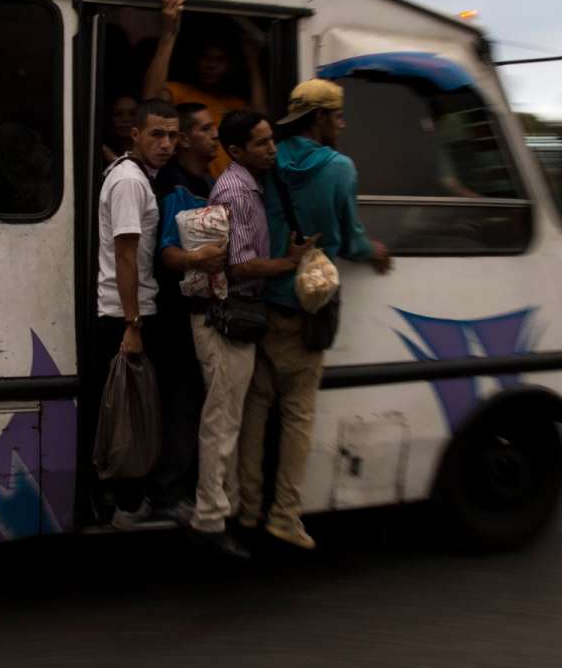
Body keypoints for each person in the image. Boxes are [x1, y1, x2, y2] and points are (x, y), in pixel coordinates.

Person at [239, 79, 392, 550]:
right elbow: (350, 240)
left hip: (265, 303)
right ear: (320, 118)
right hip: (307, 312)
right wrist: (377, 251)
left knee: (256, 409)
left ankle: (246, 508)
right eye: (337, 116)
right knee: (298, 417)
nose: (341, 125)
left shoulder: (269, 158)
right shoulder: (340, 168)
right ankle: (284, 515)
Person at [186, 109, 309, 560]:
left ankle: (226, 510)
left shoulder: (252, 185)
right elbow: (239, 265)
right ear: (236, 151)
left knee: (229, 419)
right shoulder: (236, 191)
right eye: (260, 143)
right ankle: (208, 522)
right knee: (220, 422)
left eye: (270, 140)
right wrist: (289, 264)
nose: (271, 148)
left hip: (236, 314)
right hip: (225, 315)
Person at [90, 98, 184, 528]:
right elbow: (125, 257)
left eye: (173, 136)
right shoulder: (130, 181)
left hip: (129, 310)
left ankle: (123, 499)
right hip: (124, 314)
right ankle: (125, 504)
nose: (166, 144)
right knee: (130, 413)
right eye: (157, 135)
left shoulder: (134, 175)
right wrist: (132, 324)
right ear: (135, 135)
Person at [146, 102, 225, 523]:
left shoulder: (207, 180)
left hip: (200, 306)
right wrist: (203, 260)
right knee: (184, 400)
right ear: (186, 140)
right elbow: (168, 253)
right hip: (178, 311)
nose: (215, 135)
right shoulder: (178, 186)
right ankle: (168, 491)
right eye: (206, 128)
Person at [142, 0, 267, 177]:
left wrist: (253, 61)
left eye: (219, 60)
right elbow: (150, 100)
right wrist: (168, 37)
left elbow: (261, 123)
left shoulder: (234, 104)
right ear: (195, 60)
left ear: (230, 65)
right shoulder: (181, 92)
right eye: (205, 58)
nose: (211, 66)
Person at [101, 94, 138, 165]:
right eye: (118, 114)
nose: (125, 119)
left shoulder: (150, 156)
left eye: (133, 114)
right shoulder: (100, 154)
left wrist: (114, 159)